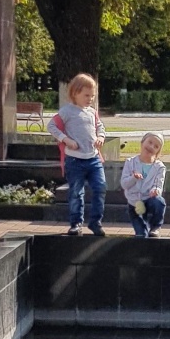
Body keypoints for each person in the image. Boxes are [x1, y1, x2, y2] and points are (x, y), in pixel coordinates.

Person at [53, 72, 107, 236]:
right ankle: (76, 223)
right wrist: (66, 140)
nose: (90, 99)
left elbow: (100, 127)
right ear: (75, 93)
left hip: (93, 159)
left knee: (100, 188)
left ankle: (95, 222)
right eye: (86, 95)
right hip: (75, 161)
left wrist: (100, 137)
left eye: (92, 96)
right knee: (76, 192)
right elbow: (52, 126)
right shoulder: (67, 111)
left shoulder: (92, 112)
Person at [120, 131, 166, 239]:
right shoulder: (130, 162)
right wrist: (133, 178)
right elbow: (124, 184)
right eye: (149, 142)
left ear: (158, 152)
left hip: (149, 199)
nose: (151, 147)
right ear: (142, 143)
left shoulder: (159, 167)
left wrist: (155, 190)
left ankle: (156, 227)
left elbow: (158, 185)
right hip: (134, 204)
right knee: (141, 235)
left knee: (159, 202)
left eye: (156, 146)